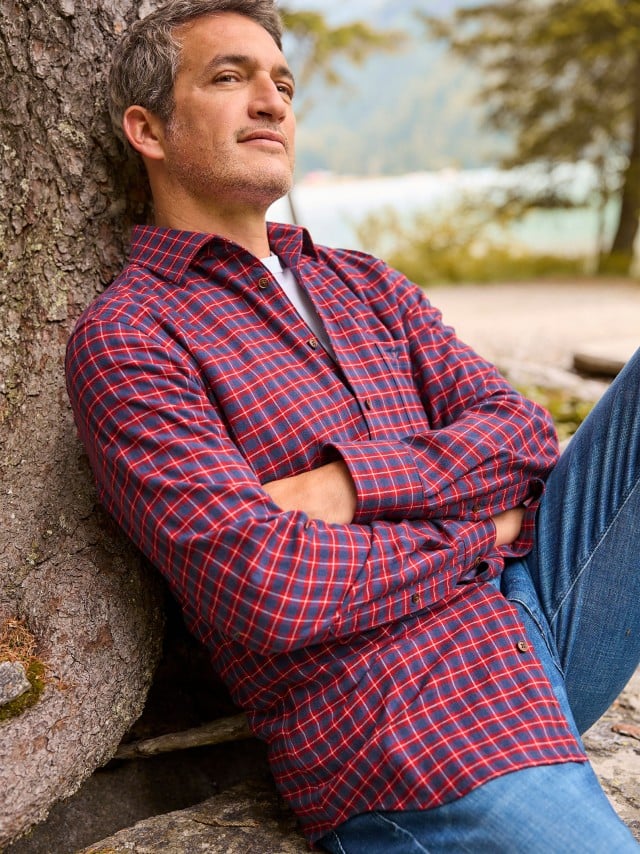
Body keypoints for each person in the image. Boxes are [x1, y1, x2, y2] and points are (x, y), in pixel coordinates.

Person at [65, 1, 640, 850]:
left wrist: (347, 486)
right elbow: (264, 586)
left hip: (533, 614)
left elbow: (520, 434)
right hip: (407, 722)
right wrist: (482, 530)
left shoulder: (359, 281)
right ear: (148, 130)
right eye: (231, 78)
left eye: (282, 84)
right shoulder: (128, 337)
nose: (272, 102)